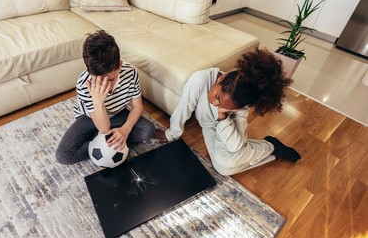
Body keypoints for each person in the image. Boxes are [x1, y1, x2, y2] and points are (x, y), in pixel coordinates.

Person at [153, 48, 301, 176]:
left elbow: (236, 145)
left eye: (224, 106)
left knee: (229, 159)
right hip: (210, 128)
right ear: (221, 78)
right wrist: (171, 134)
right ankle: (270, 147)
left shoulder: (241, 105)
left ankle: (270, 146)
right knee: (224, 168)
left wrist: (223, 116)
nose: (215, 103)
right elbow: (183, 108)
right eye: (217, 97)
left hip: (225, 130)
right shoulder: (200, 80)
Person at [56, 30, 155, 165]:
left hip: (118, 114)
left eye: (110, 79)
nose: (103, 86)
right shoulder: (83, 84)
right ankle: (101, 142)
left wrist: (126, 129)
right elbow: (103, 127)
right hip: (91, 118)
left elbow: (137, 106)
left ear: (119, 66)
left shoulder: (130, 73)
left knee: (147, 130)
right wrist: (98, 102)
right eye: (98, 80)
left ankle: (108, 139)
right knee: (64, 156)